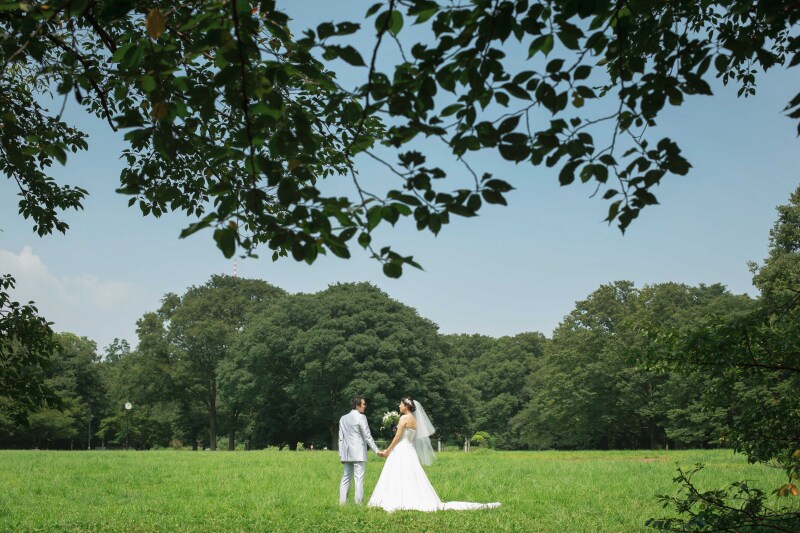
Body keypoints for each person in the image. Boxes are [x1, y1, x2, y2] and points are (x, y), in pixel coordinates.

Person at [368, 397, 501, 512]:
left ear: (406, 406)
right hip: (409, 449)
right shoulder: (414, 420)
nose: (399, 406)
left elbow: (397, 437)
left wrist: (387, 450)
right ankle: (410, 496)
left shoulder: (403, 418)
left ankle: (396, 498)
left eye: (401, 404)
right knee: (411, 474)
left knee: (397, 473)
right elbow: (410, 437)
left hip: (401, 449)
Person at [338, 396, 385, 504]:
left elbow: (341, 438)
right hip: (358, 453)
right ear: (357, 405)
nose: (365, 406)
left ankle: (342, 503)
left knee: (346, 477)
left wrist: (341, 454)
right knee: (359, 479)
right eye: (363, 404)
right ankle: (359, 504)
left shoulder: (342, 418)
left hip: (346, 453)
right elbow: (367, 436)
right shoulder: (361, 417)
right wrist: (377, 450)